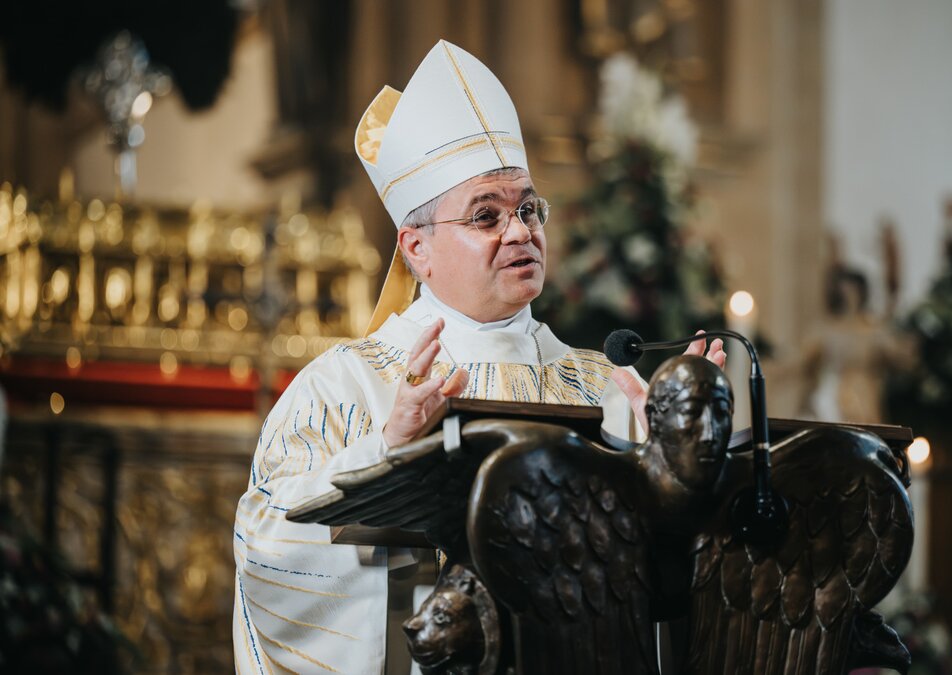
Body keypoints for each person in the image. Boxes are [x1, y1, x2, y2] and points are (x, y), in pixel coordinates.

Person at [232, 40, 725, 674]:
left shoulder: (605, 384)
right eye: (486, 216)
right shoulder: (342, 388)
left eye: (528, 208)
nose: (520, 231)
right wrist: (385, 454)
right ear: (417, 249)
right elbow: (264, 547)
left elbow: (670, 574)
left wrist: (676, 456)